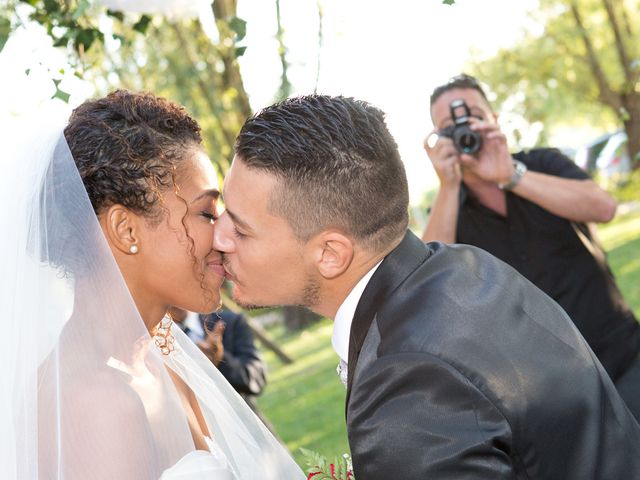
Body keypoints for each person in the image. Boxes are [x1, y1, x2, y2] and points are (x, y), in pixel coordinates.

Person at [212, 94, 640, 479]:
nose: (220, 237)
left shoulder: (406, 383)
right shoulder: (465, 266)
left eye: (242, 229)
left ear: (330, 253)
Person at [0, 90, 304, 479]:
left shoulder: (161, 361)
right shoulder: (98, 404)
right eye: (207, 213)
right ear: (126, 229)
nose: (225, 235)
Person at [422, 73, 640, 418]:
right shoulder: (450, 210)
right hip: (548, 392)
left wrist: (510, 174)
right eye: (450, 125)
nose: (466, 128)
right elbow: (427, 283)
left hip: (623, 355)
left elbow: (604, 208)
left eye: (474, 115)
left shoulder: (542, 164)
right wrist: (448, 186)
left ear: (493, 119)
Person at [168, 306, 279, 435]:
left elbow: (256, 380)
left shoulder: (230, 322)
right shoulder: (151, 342)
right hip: (194, 438)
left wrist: (220, 359)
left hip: (249, 430)